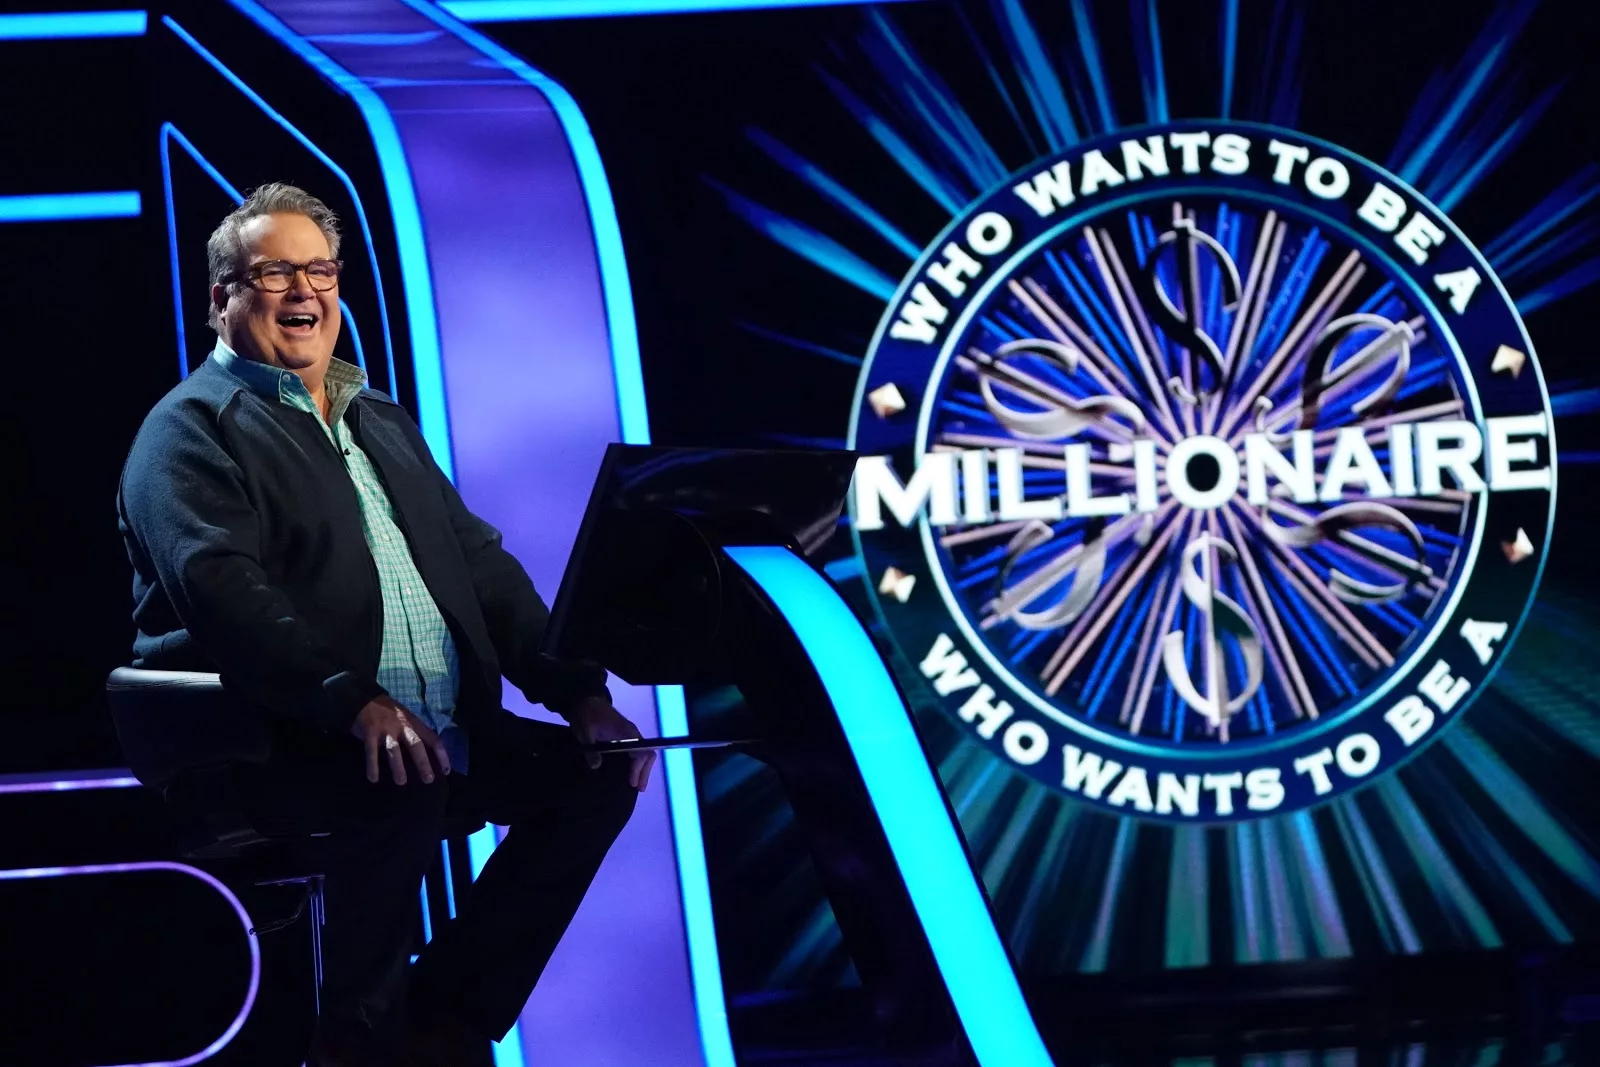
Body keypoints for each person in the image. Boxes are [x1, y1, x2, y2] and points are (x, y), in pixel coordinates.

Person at [116, 183, 655, 1066]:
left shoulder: (380, 418)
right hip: (272, 743)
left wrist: (581, 695)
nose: (304, 291)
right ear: (223, 298)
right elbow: (224, 596)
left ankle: (442, 1016)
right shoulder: (188, 430)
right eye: (275, 273)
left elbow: (481, 566)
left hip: (435, 736)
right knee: (397, 779)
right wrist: (351, 700)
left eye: (320, 270)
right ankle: (357, 1040)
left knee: (591, 779)